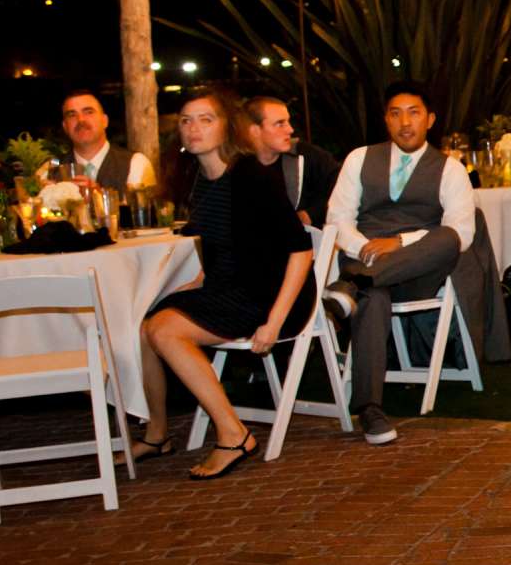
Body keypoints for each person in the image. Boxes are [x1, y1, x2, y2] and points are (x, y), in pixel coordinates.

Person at [130, 86, 312, 480]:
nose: (193, 128)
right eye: (186, 120)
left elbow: (301, 251)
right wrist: (201, 278)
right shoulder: (200, 178)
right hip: (229, 287)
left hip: (269, 295)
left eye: (205, 119)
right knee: (143, 324)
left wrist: (275, 322)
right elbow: (222, 243)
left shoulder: (251, 176)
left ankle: (234, 433)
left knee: (165, 332)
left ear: (227, 127)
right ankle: (158, 432)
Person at [322, 82, 478, 447]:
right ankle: (370, 409)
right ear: (385, 121)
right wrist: (366, 250)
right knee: (372, 298)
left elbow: (463, 232)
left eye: (414, 113)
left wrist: (400, 244)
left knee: (448, 237)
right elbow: (337, 219)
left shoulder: (450, 169)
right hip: (366, 261)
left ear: (430, 120)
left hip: (417, 272)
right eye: (395, 113)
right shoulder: (359, 159)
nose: (405, 122)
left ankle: (353, 284)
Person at [244, 96, 338, 227]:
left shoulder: (307, 154)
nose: (290, 130)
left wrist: (311, 214)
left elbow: (342, 187)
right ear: (254, 130)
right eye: (280, 123)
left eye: (288, 122)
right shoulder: (237, 166)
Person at [46, 90, 157, 191]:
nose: (81, 120)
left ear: (105, 121)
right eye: (72, 115)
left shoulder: (135, 163)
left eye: (88, 112)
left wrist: (100, 199)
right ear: (65, 127)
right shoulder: (51, 169)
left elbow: (143, 210)